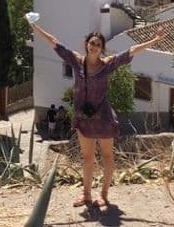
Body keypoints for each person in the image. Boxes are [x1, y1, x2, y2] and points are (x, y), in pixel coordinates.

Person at [29, 22, 162, 209]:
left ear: (102, 49)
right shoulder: (76, 61)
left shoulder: (107, 65)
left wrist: (154, 40)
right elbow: (54, 42)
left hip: (104, 119)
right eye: (92, 43)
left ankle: (104, 196)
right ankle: (86, 195)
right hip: (84, 119)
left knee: (107, 157)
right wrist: (35, 27)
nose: (94, 47)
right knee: (87, 158)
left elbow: (131, 51)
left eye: (98, 45)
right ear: (86, 44)